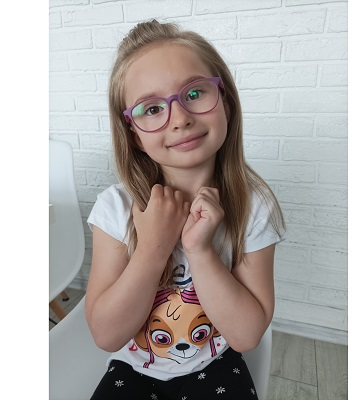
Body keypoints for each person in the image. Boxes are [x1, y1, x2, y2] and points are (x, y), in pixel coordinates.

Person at [86, 19, 285, 400]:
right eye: (151, 108)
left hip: (216, 365)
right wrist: (153, 247)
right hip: (133, 370)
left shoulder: (254, 206)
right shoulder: (115, 208)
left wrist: (200, 250)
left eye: (195, 93)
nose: (179, 119)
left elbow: (246, 336)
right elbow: (106, 335)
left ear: (226, 102)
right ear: (134, 135)